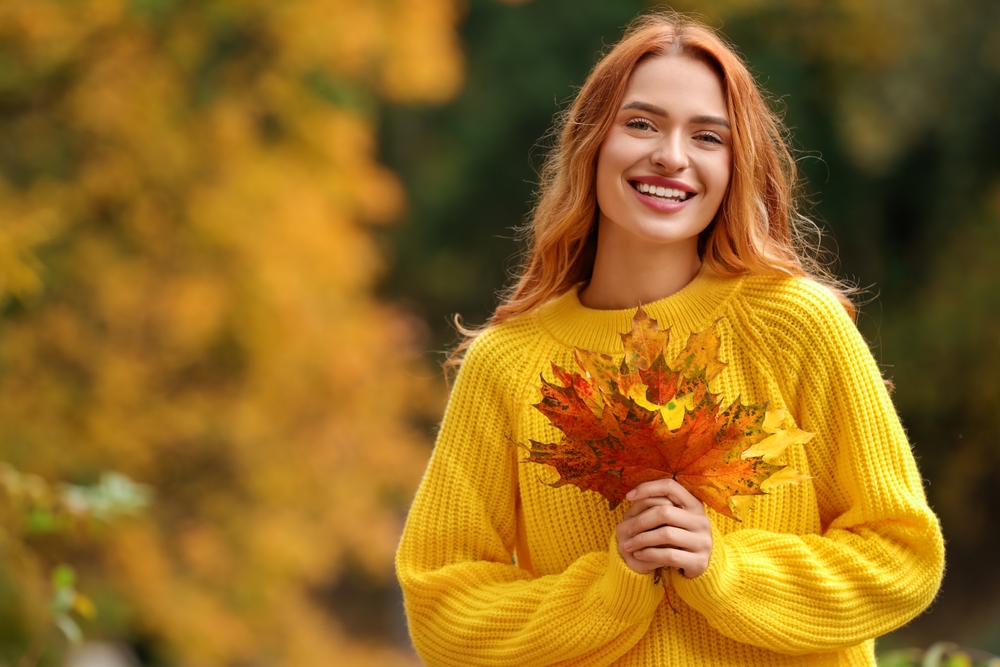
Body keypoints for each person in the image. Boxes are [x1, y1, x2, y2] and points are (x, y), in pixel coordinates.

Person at [396, 11, 944, 667]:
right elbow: (443, 611)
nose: (672, 155)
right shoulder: (507, 364)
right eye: (642, 124)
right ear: (592, 142)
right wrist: (612, 589)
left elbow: (903, 555)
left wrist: (726, 567)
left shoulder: (797, 324)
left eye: (708, 136)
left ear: (736, 164)